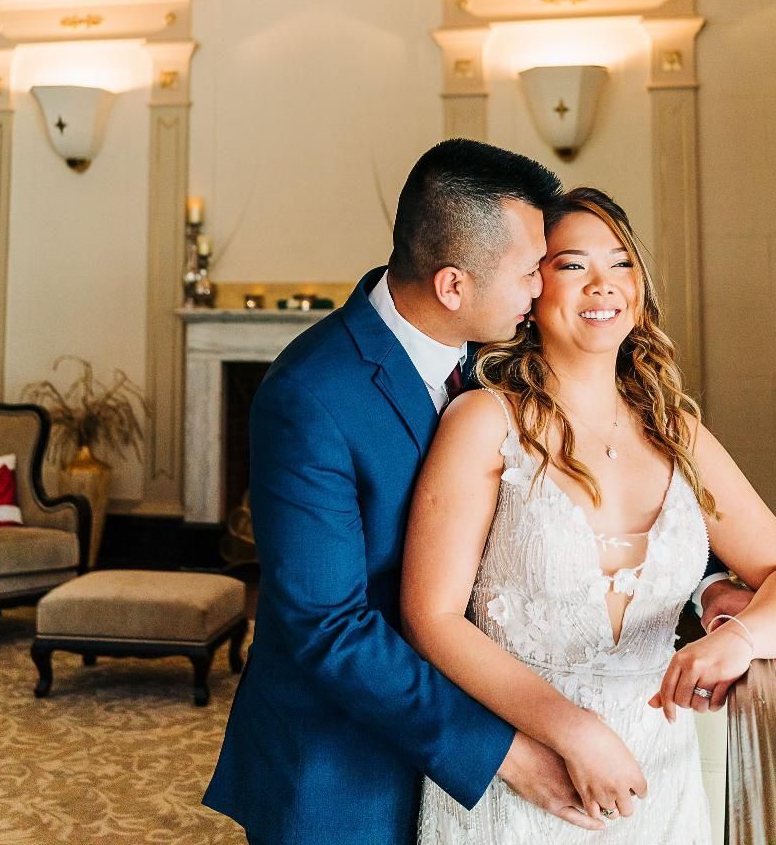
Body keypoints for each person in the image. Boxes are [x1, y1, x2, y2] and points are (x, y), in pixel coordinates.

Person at [205, 139, 626, 845]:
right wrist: (509, 754)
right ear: (452, 284)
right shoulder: (309, 395)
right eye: (530, 270)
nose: (540, 288)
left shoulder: (497, 359)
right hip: (341, 769)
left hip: (473, 726)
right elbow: (328, 627)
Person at [402, 186, 776, 843]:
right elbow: (430, 616)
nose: (603, 284)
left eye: (621, 262)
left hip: (657, 783)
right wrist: (568, 728)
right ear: (529, 289)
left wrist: (736, 639)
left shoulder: (675, 429)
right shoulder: (484, 421)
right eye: (572, 265)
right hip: (520, 778)